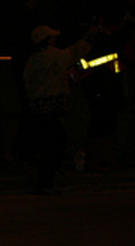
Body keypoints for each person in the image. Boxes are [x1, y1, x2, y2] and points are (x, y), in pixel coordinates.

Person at [23, 25, 96, 194]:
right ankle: (45, 182)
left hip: (37, 107)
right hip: (51, 107)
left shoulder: (33, 60)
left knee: (49, 142)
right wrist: (89, 37)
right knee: (55, 142)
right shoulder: (53, 56)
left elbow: (27, 82)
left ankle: (46, 178)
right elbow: (74, 53)